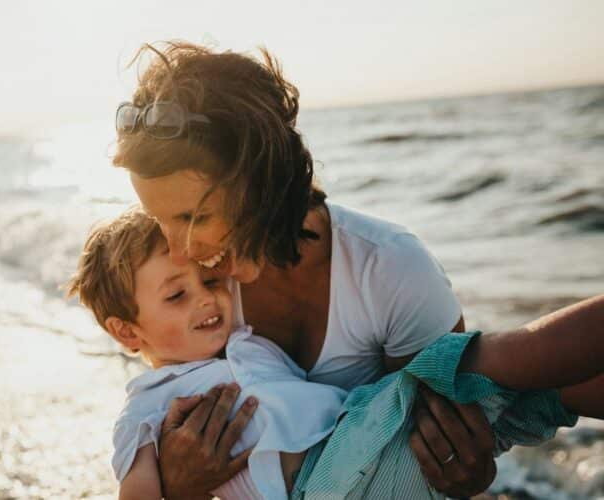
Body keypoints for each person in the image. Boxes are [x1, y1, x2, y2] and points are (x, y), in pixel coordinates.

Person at [112, 41, 494, 498]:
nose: (179, 249)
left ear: (262, 180)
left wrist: (473, 472)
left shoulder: (390, 270)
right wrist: (178, 486)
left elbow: (441, 447)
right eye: (159, 220)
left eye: (195, 218)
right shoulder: (196, 291)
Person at [65, 208, 604, 500]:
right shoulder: (146, 408)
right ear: (126, 332)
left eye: (209, 278)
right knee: (496, 361)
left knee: (541, 393)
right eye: (177, 295)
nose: (207, 297)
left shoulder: (248, 341)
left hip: (375, 451)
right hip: (327, 482)